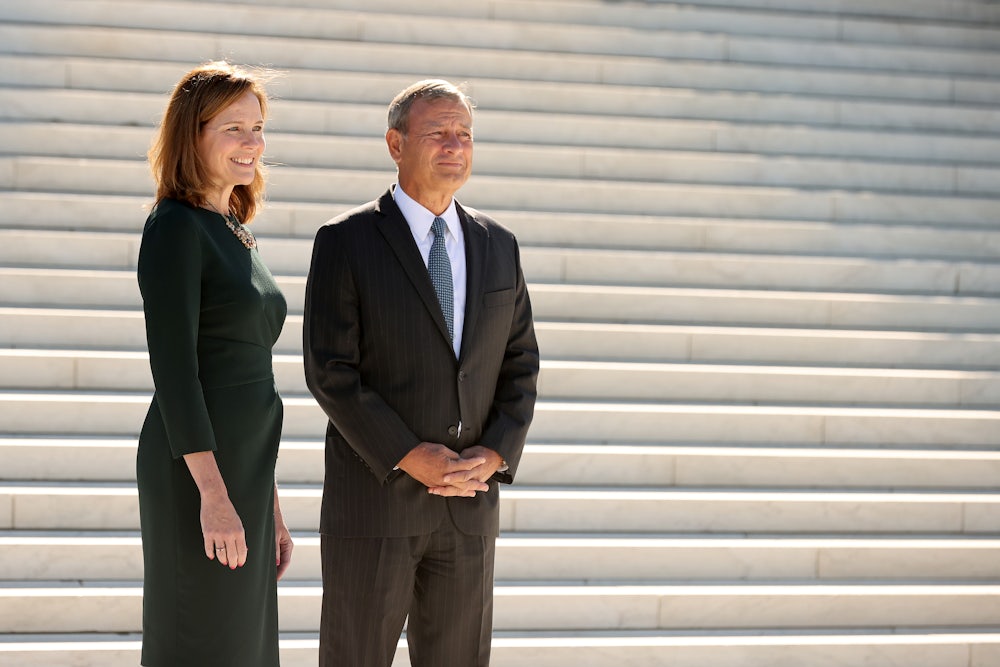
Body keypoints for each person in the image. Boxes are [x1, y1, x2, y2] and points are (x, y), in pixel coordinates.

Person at [303, 78, 540, 667]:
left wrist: (495, 454)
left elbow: (520, 362)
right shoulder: (345, 240)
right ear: (395, 143)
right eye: (437, 133)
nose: (454, 145)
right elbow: (330, 371)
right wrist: (410, 453)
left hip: (468, 506)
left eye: (464, 134)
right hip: (375, 504)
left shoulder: (499, 244)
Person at [136, 61, 293, 667]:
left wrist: (268, 503)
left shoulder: (232, 229)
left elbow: (250, 379)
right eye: (233, 129)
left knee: (244, 643)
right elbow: (176, 373)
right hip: (198, 473)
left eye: (258, 128)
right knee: (202, 638)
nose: (252, 143)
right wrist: (215, 495)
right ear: (192, 136)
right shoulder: (175, 228)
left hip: (245, 471)